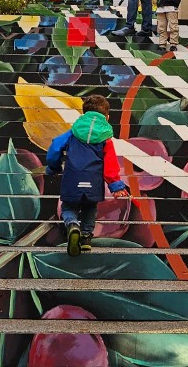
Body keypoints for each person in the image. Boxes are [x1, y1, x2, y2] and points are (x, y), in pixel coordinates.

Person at [45, 94, 130, 256]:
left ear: (83, 113)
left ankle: (72, 225)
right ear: (107, 117)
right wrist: (116, 185)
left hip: (72, 178)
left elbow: (55, 147)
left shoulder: (72, 133)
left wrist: (53, 167)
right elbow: (111, 164)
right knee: (90, 208)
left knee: (68, 207)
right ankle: (85, 239)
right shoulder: (106, 139)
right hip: (93, 180)